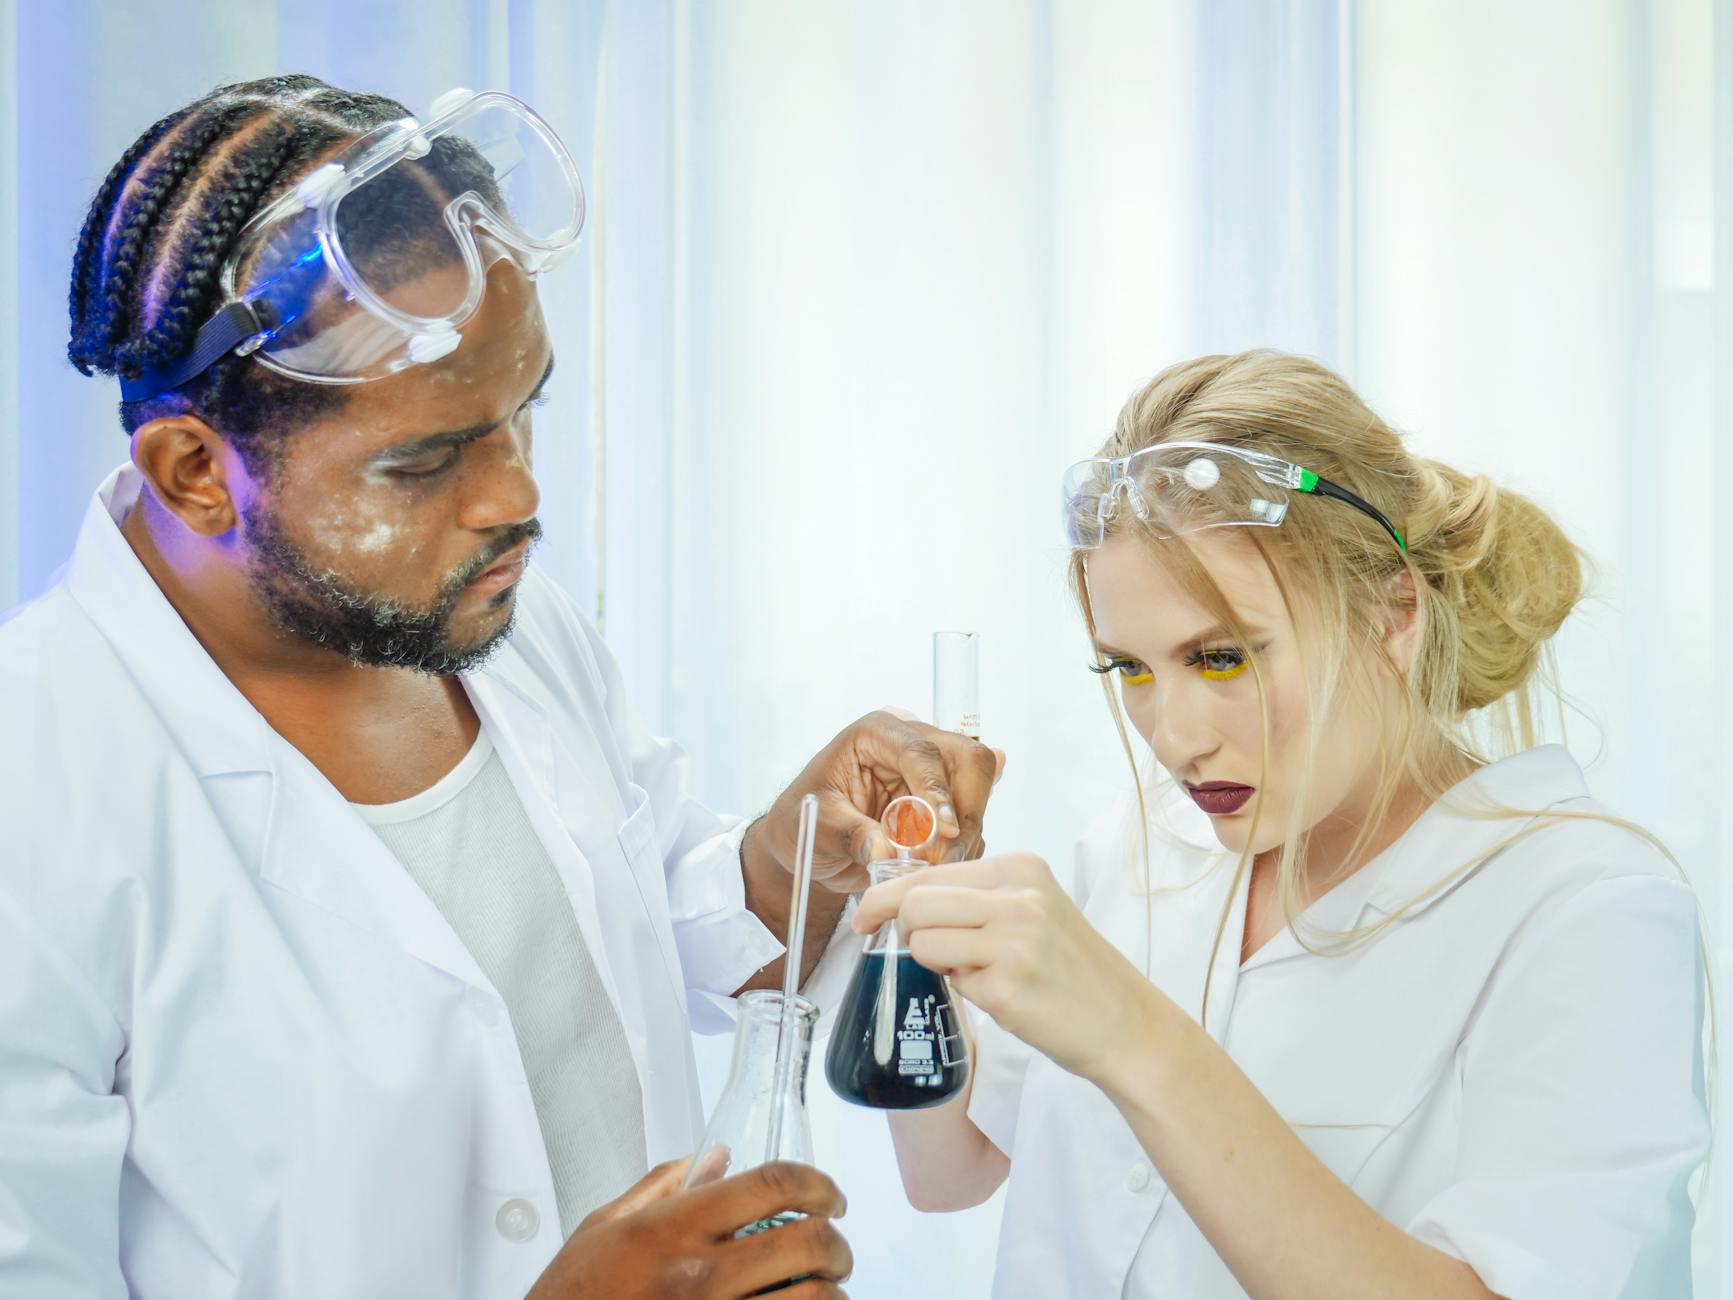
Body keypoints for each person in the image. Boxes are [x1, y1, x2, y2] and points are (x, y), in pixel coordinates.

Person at [0, 75, 998, 1300]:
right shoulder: (36, 785)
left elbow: (618, 918)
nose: (513, 499)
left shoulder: (482, 619)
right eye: (422, 460)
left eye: (523, 412)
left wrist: (784, 873)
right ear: (196, 470)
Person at [858, 351, 1711, 1298]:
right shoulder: (1141, 849)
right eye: (1128, 670)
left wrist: (1134, 1035)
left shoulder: (1585, 910)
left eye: (1221, 657)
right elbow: (950, 1173)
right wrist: (908, 929)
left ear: (1390, 612)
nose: (1171, 738)